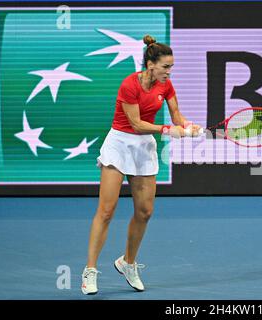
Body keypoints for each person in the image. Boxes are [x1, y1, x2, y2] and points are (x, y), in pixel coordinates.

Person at [81, 35, 200, 295]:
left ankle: (128, 263)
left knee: (145, 212)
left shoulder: (166, 86)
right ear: (150, 64)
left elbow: (177, 115)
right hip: (120, 144)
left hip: (144, 147)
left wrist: (188, 126)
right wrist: (168, 130)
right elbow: (135, 124)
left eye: (171, 67)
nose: (169, 72)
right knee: (106, 211)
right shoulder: (129, 85)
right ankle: (90, 270)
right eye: (165, 67)